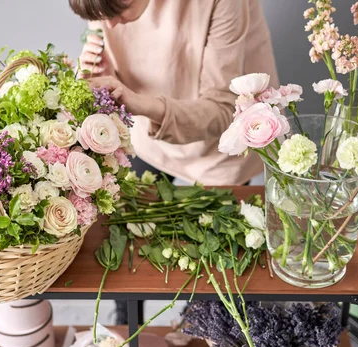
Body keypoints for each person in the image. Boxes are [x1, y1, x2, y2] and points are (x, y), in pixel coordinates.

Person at [70, 0, 279, 323]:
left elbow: (223, 111)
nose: (109, 26)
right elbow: (105, 31)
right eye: (100, 17)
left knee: (215, 268)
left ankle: (201, 328)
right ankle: (126, 325)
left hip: (221, 141)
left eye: (116, 12)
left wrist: (134, 101)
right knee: (123, 244)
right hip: (148, 134)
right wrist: (100, 71)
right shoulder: (108, 9)